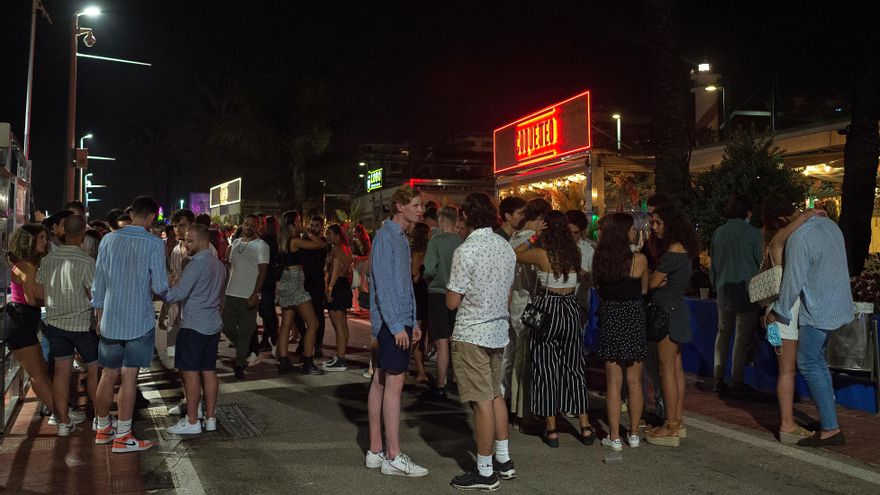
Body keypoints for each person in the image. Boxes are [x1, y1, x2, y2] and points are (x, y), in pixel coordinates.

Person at [763, 194, 852, 447]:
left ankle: (818, 426)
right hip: (812, 310)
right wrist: (807, 214)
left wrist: (775, 312)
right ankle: (814, 422)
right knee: (807, 365)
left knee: (797, 365)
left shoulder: (792, 239)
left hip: (801, 312)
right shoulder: (823, 227)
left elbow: (792, 282)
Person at [446, 192, 517, 490]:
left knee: (481, 402)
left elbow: (452, 301)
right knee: (494, 394)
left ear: (465, 216)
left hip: (472, 332)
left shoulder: (466, 250)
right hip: (498, 331)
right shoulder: (505, 247)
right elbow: (509, 292)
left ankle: (485, 470)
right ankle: (504, 459)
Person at [92, 196, 169, 452]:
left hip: (111, 318)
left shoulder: (108, 239)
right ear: (150, 217)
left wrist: (99, 315)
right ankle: (124, 434)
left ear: (131, 213)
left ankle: (103, 427)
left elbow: (99, 282)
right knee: (130, 376)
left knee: (108, 373)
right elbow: (160, 286)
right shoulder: (154, 243)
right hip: (139, 320)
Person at [515, 210, 593, 447]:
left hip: (547, 308)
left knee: (545, 367)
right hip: (569, 308)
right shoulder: (575, 253)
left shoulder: (541, 254)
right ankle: (586, 426)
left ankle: (551, 430)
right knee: (574, 367)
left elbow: (515, 253)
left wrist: (534, 236)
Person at [365, 185, 427, 477]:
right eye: (415, 205)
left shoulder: (399, 237)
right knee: (393, 385)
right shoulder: (386, 237)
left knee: (380, 381)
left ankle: (376, 450)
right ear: (400, 207)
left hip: (398, 321)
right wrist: (395, 325)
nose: (420, 210)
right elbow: (385, 286)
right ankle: (392, 455)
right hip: (392, 323)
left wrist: (412, 320)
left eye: (421, 205)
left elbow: (404, 285)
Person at [761, 204, 819, 443]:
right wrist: (806, 216)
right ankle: (787, 424)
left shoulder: (775, 244)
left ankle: (788, 422)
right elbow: (781, 237)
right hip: (782, 316)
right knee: (787, 370)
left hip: (778, 314)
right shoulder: (777, 244)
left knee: (786, 369)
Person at [37, 214, 98, 436]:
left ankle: (62, 422)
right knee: (93, 368)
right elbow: (94, 294)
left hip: (55, 324)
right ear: (82, 234)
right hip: (81, 324)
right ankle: (100, 418)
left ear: (64, 232)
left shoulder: (47, 260)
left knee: (61, 373)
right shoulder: (86, 261)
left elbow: (41, 292)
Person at [593, 213, 649, 451]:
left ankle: (614, 436)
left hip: (611, 316)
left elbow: (597, 287)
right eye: (631, 228)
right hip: (634, 316)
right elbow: (644, 289)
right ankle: (634, 433)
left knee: (613, 382)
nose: (634, 231)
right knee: (634, 381)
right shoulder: (640, 260)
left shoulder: (600, 259)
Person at [163, 224, 227, 435]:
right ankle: (210, 418)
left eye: (190, 241)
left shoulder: (195, 265)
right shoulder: (219, 265)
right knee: (209, 371)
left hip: (194, 325)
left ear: (202, 240)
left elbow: (177, 294)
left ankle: (192, 420)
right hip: (212, 323)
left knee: (190, 373)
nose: (186, 244)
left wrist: (162, 287)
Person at [645, 205, 699, 447]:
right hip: (677, 309)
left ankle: (671, 424)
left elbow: (652, 284)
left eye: (657, 222)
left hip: (666, 312)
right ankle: (676, 421)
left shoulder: (672, 252)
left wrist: (651, 275)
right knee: (675, 369)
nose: (653, 227)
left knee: (666, 369)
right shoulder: (684, 249)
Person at [5, 225, 62, 428]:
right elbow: (30, 299)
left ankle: (60, 411)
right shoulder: (28, 267)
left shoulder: (26, 264)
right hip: (21, 323)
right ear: (28, 241)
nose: (45, 241)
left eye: (46, 237)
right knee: (38, 375)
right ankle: (60, 415)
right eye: (40, 238)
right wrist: (56, 300)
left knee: (41, 372)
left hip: (24, 322)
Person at [709, 195, 763, 395]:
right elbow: (761, 262)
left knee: (722, 334)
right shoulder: (754, 234)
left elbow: (713, 265)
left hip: (723, 291)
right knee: (741, 337)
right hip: (747, 293)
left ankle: (718, 377)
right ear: (748, 213)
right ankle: (737, 380)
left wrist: (715, 284)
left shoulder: (718, 233)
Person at [507, 198, 551, 427]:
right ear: (542, 219)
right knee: (526, 360)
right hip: (528, 304)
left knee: (517, 358)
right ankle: (522, 412)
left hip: (516, 304)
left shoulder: (515, 235)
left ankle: (517, 407)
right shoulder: (528, 239)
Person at [276, 211, 327, 374]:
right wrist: (308, 232)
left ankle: (284, 361)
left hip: (285, 279)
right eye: (299, 221)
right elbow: (320, 244)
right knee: (313, 323)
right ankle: (307, 361)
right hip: (295, 281)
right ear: (292, 224)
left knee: (286, 324)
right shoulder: (295, 241)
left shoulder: (283, 240)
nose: (301, 223)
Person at [422, 205, 463, 399]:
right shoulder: (462, 241)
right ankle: (457, 380)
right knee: (456, 340)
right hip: (460, 294)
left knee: (441, 341)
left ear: (441, 220)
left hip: (439, 293)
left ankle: (440, 384)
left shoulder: (435, 242)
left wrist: (431, 279)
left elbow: (429, 269)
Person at [221, 214, 269, 380]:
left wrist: (255, 293)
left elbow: (263, 271)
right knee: (225, 326)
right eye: (246, 223)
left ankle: (240, 364)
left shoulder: (261, 245)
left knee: (245, 331)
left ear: (258, 227)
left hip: (248, 295)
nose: (249, 226)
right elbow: (228, 264)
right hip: (231, 293)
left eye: (253, 224)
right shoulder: (235, 243)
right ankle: (246, 350)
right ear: (241, 225)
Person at [295, 215, 329, 357]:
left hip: (316, 282)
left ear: (321, 227)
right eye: (311, 225)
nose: (313, 228)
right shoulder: (305, 241)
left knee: (318, 314)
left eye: (316, 225)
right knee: (298, 314)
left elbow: (321, 246)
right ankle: (304, 338)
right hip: (303, 281)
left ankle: (318, 343)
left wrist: (308, 233)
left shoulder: (323, 242)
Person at [322, 224, 353, 371]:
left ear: (338, 235)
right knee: (343, 324)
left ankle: (340, 359)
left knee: (338, 325)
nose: (327, 236)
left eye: (330, 234)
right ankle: (341, 355)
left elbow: (334, 270)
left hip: (337, 286)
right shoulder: (346, 248)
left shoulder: (336, 249)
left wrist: (329, 288)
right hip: (344, 286)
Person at [409, 222, 431, 383]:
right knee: (422, 336)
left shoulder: (417, 252)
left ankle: (420, 371)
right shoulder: (430, 249)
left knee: (416, 336)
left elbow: (414, 273)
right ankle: (421, 369)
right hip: (427, 293)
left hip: (417, 294)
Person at [258, 215, 280, 351]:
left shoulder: (267, 241)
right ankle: (269, 338)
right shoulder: (273, 239)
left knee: (266, 310)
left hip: (267, 278)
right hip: (268, 278)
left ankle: (272, 338)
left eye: (263, 223)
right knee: (267, 310)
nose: (260, 226)